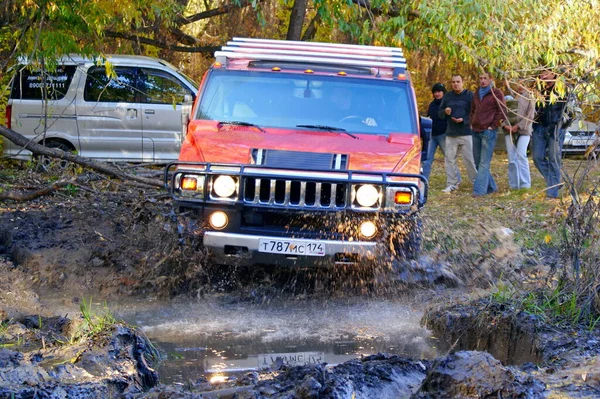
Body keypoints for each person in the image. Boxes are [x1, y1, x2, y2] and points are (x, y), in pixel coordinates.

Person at [531, 70, 568, 199]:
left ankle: (552, 193)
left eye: (545, 73)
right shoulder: (538, 89)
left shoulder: (562, 90)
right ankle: (555, 182)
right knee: (537, 157)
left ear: (554, 74)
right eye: (541, 74)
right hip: (539, 127)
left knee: (554, 158)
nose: (542, 76)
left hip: (556, 128)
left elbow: (568, 112)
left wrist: (560, 126)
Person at [437, 75, 477, 193]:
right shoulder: (448, 96)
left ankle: (475, 182)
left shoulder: (470, 96)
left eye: (458, 82)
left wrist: (464, 120)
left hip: (466, 133)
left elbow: (474, 113)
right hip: (451, 133)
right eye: (453, 82)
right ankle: (452, 184)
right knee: (449, 160)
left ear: (463, 82)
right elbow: (439, 113)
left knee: (469, 160)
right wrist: (445, 111)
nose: (455, 84)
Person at [470, 71, 506, 197]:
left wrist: (493, 125)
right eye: (480, 78)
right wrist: (471, 121)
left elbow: (502, 111)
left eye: (485, 78)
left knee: (484, 162)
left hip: (488, 131)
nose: (482, 81)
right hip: (476, 130)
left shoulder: (496, 93)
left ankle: (479, 191)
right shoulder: (476, 93)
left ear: (491, 79)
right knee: (477, 161)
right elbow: (473, 109)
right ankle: (492, 187)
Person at [502, 81, 535, 189]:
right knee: (512, 158)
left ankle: (525, 184)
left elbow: (530, 115)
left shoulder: (530, 96)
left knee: (521, 154)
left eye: (522, 83)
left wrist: (518, 126)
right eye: (518, 83)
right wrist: (504, 125)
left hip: (524, 130)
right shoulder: (509, 96)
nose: (520, 85)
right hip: (508, 130)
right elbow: (500, 113)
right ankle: (514, 185)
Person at [422, 83, 456, 182]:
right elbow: (429, 118)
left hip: (443, 135)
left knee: (450, 158)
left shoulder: (448, 104)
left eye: (439, 92)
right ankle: (423, 180)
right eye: (435, 92)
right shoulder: (432, 105)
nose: (437, 94)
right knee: (427, 160)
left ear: (443, 93)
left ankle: (456, 179)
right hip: (432, 135)